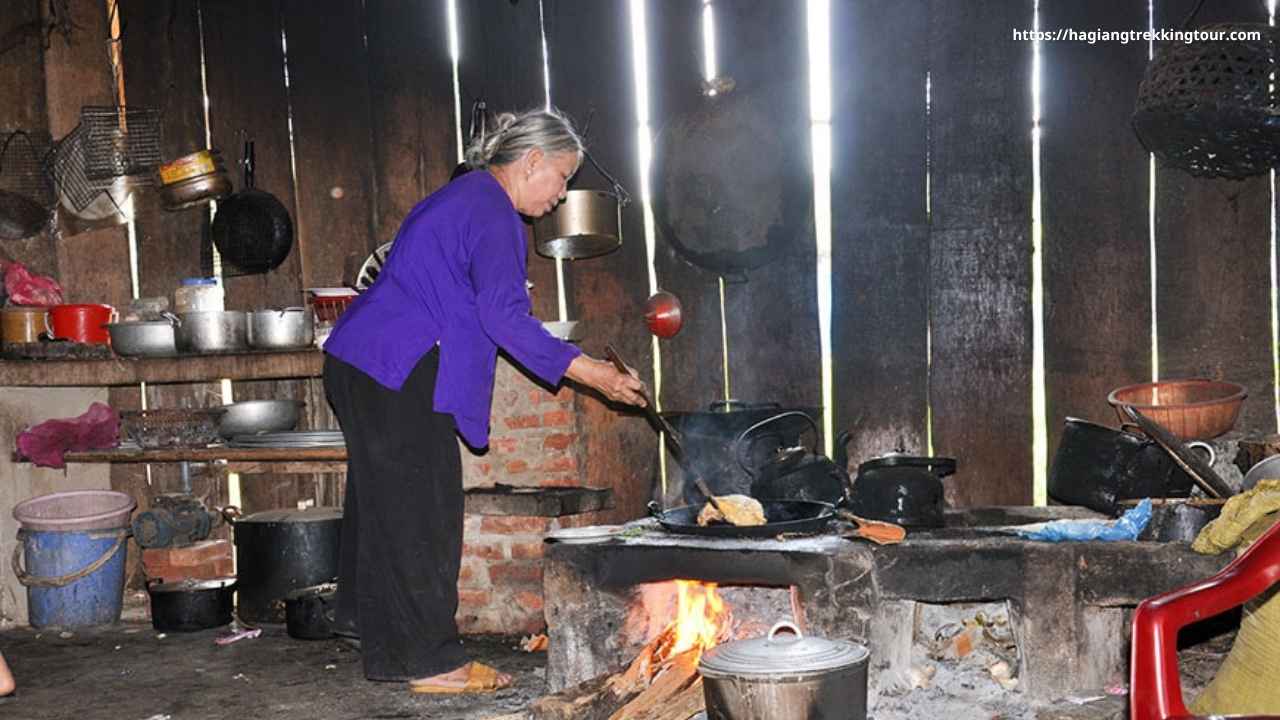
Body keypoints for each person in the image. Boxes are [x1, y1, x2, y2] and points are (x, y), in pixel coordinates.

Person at [322, 108, 646, 693]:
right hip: (395, 365)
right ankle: (432, 663)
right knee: (423, 514)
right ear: (532, 162)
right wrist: (592, 373)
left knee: (386, 510)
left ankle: (391, 648)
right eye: (563, 177)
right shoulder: (493, 212)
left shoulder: (465, 195)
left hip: (362, 359)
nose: (562, 194)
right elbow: (505, 317)